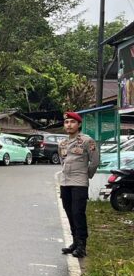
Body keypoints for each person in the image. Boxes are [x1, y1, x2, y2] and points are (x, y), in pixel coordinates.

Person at [58, 111, 99, 258]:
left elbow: (94, 162)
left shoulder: (87, 141)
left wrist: (86, 174)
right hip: (65, 182)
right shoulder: (62, 143)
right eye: (66, 122)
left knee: (78, 212)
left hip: (79, 182)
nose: (69, 124)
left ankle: (82, 245)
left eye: (72, 122)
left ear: (79, 124)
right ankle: (75, 241)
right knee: (69, 212)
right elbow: (63, 161)